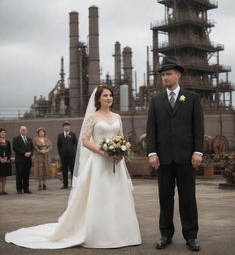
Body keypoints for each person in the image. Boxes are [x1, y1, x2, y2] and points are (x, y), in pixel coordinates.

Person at [5, 84, 141, 249]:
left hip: (116, 163)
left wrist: (120, 153)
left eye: (110, 95)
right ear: (98, 98)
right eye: (105, 95)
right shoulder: (93, 117)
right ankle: (99, 233)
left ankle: (121, 232)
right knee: (100, 196)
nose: (108, 98)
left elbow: (121, 138)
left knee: (117, 195)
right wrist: (105, 153)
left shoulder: (117, 117)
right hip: (99, 162)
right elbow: (85, 141)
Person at [147, 56, 204, 251]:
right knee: (165, 197)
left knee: (188, 197)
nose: (165, 77)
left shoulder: (192, 98)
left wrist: (198, 151)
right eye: (163, 75)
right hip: (163, 159)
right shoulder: (155, 101)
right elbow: (151, 129)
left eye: (169, 74)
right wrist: (152, 153)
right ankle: (165, 234)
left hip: (186, 157)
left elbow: (198, 128)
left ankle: (191, 236)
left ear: (178, 75)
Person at [12, 126, 34, 194]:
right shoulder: (16, 139)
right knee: (19, 175)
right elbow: (15, 148)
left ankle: (26, 189)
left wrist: (30, 153)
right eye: (22, 130)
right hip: (20, 160)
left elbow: (32, 148)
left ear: (27, 131)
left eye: (25, 130)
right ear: (20, 131)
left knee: (26, 175)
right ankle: (19, 189)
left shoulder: (29, 139)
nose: (24, 131)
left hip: (28, 160)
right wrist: (24, 153)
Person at [57, 121, 77, 189]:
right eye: (65, 126)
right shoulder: (60, 135)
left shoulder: (73, 134)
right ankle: (65, 184)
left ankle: (73, 184)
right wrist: (61, 153)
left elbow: (76, 143)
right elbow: (58, 145)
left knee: (72, 170)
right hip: (63, 156)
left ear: (69, 127)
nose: (66, 127)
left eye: (67, 126)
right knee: (64, 170)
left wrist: (73, 151)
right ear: (63, 127)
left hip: (71, 156)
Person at [0, 128, 12, 195]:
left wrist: (7, 158)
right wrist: (1, 159)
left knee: (4, 176)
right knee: (0, 177)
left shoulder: (8, 142)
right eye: (1, 132)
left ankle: (3, 190)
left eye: (4, 132)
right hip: (0, 161)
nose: (3, 134)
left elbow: (9, 152)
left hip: (5, 161)